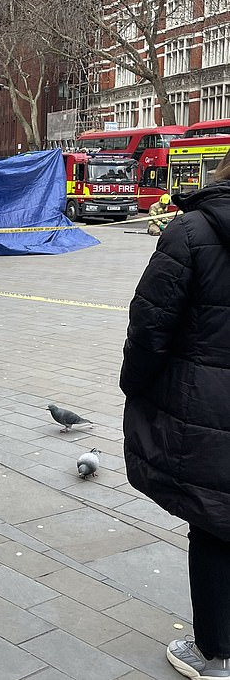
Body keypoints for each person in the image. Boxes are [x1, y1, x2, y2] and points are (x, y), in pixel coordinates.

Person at [120, 148, 230, 679]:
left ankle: (217, 652)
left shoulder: (190, 232)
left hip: (206, 407)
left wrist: (134, 385)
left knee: (213, 523)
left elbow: (150, 326)